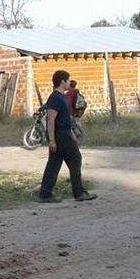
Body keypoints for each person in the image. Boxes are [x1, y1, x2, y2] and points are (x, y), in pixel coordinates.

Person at [38, 71, 97, 203]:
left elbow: (65, 119)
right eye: (68, 80)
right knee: (75, 159)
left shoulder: (62, 97)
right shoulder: (55, 98)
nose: (70, 82)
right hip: (60, 136)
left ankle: (45, 194)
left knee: (54, 164)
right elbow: (50, 119)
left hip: (65, 134)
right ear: (62, 81)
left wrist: (72, 133)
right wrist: (52, 140)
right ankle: (79, 192)